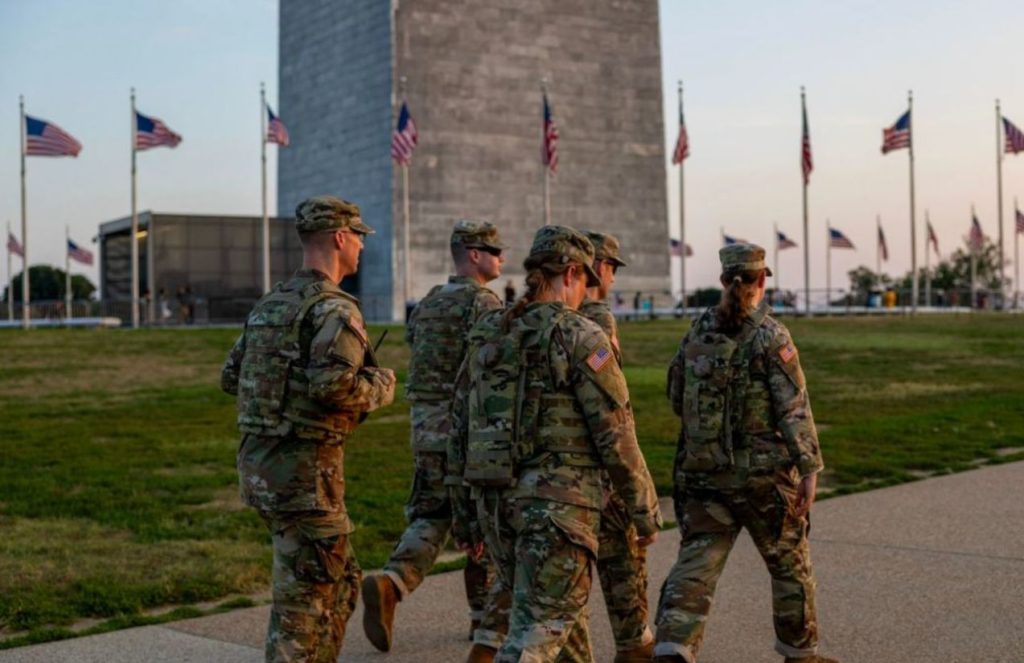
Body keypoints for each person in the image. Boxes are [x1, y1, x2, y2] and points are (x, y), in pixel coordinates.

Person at [448, 225, 662, 662]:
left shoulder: (490, 332)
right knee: (541, 629)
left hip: (495, 506)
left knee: (567, 636)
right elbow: (616, 434)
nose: (586, 292)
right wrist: (645, 510)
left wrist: (465, 513)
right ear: (569, 273)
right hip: (558, 512)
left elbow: (459, 425)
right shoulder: (580, 336)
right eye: (586, 280)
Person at [220, 195, 397, 663]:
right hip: (305, 479)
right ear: (339, 238)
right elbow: (334, 386)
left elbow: (230, 377)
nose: (361, 246)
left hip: (262, 470)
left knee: (339, 583)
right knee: (304, 611)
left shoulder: (270, 304)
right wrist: (381, 385)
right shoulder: (334, 310)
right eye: (358, 236)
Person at [654, 243, 838, 663]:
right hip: (763, 479)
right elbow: (793, 407)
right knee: (789, 562)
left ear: (723, 281)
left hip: (703, 473)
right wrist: (809, 467)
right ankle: (800, 653)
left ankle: (672, 646)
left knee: (697, 561)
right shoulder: (772, 335)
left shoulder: (697, 331)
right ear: (762, 280)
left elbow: (675, 394)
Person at [362, 220, 506, 652]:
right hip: (466, 432)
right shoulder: (484, 303)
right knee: (483, 522)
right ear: (474, 254)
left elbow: (416, 349)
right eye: (495, 251)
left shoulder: (427, 302)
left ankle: (391, 583)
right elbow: (493, 368)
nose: (502, 259)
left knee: (432, 515)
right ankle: (486, 627)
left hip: (426, 428)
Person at [580, 230, 655, 661]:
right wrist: (637, 490)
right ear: (599, 268)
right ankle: (634, 644)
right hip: (603, 466)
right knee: (623, 561)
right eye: (611, 267)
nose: (612, 277)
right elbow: (614, 404)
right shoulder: (599, 319)